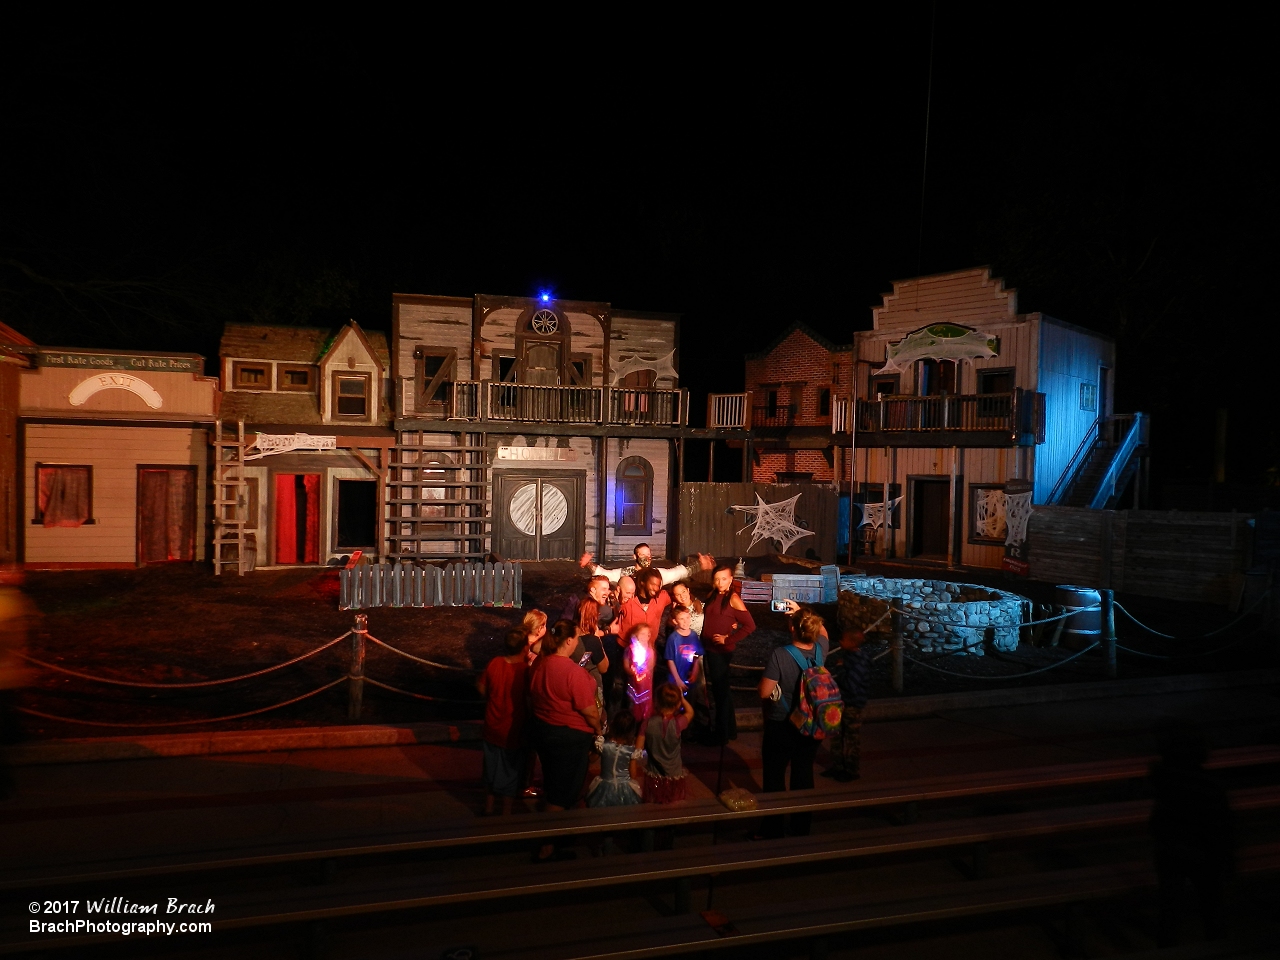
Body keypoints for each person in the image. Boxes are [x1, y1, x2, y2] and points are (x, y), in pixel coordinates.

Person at [1150, 719, 1235, 947]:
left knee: (1169, 908)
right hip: (1205, 853)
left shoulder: (1163, 779)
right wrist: (1228, 861)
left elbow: (1157, 821)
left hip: (1171, 851)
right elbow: (1223, 826)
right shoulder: (1211, 787)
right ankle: (1217, 945)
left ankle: (1167, 947)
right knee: (1212, 907)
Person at [527, 619, 601, 861]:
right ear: (569, 641)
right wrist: (599, 730)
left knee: (554, 783)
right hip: (569, 737)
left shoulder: (541, 664)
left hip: (543, 730)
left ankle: (557, 834)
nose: (579, 642)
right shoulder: (573, 673)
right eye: (577, 638)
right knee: (562, 792)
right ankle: (546, 847)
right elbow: (589, 711)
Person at [756, 606, 829, 839]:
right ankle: (800, 827)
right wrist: (802, 612)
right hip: (811, 724)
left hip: (783, 723)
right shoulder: (820, 650)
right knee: (803, 773)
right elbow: (824, 633)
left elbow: (764, 692)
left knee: (775, 776)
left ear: (792, 628)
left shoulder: (781, 654)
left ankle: (773, 829)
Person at [475, 627, 529, 815]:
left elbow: (481, 688)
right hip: (512, 732)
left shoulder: (494, 663)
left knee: (490, 769)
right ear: (525, 648)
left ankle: (488, 809)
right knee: (510, 773)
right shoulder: (525, 671)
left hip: (491, 727)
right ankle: (506, 814)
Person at [701, 564, 756, 744]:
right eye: (717, 579)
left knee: (720, 693)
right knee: (721, 691)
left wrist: (728, 639)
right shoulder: (712, 595)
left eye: (724, 579)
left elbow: (750, 625)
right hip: (709, 649)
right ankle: (730, 730)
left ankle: (721, 735)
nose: (720, 582)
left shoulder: (733, 598)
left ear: (731, 579)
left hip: (721, 652)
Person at [822, 629, 871, 782]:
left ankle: (851, 769)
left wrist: (839, 669)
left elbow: (851, 684)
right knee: (836, 735)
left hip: (852, 704)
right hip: (843, 702)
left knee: (851, 738)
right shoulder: (852, 657)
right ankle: (838, 766)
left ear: (852, 642)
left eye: (844, 639)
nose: (841, 642)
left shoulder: (858, 661)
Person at [643, 682, 693, 804]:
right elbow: (690, 712)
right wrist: (681, 698)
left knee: (654, 805)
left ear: (656, 702)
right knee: (673, 804)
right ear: (677, 705)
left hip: (654, 775)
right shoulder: (678, 724)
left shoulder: (647, 724)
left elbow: (638, 750)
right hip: (674, 775)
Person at [579, 544, 714, 586]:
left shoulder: (657, 574)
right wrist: (588, 564)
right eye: (643, 554)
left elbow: (678, 572)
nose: (647, 557)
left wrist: (698, 566)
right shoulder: (625, 573)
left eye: (649, 554)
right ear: (635, 556)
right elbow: (605, 574)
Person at [587, 710, 644, 807]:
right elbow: (633, 774)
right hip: (624, 788)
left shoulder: (604, 745)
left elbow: (592, 759)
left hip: (604, 785)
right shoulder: (631, 751)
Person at [664, 605, 703, 697]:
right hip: (676, 679)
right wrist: (677, 679)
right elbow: (670, 660)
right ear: (675, 621)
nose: (686, 621)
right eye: (681, 619)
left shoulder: (694, 635)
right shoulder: (673, 638)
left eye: (687, 617)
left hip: (689, 678)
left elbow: (697, 655)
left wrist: (695, 671)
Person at [622, 623, 656, 723]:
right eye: (642, 634)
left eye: (647, 634)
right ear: (635, 635)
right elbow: (626, 665)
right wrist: (633, 672)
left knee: (645, 705)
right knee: (632, 704)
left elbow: (651, 665)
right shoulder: (629, 649)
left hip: (646, 684)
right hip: (633, 682)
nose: (645, 637)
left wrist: (643, 670)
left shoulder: (650, 650)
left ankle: (643, 723)